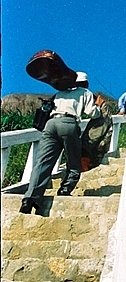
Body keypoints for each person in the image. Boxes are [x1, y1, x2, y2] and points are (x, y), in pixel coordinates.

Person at [20, 71, 102, 214]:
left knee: (42, 163)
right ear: (86, 83)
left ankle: (30, 198)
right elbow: (92, 113)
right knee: (74, 161)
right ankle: (65, 189)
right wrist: (98, 107)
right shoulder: (85, 92)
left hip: (50, 124)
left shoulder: (60, 93)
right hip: (69, 124)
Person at [81, 94, 114, 170]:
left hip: (94, 151)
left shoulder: (102, 114)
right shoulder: (103, 112)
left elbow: (95, 135)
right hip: (96, 149)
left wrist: (82, 145)